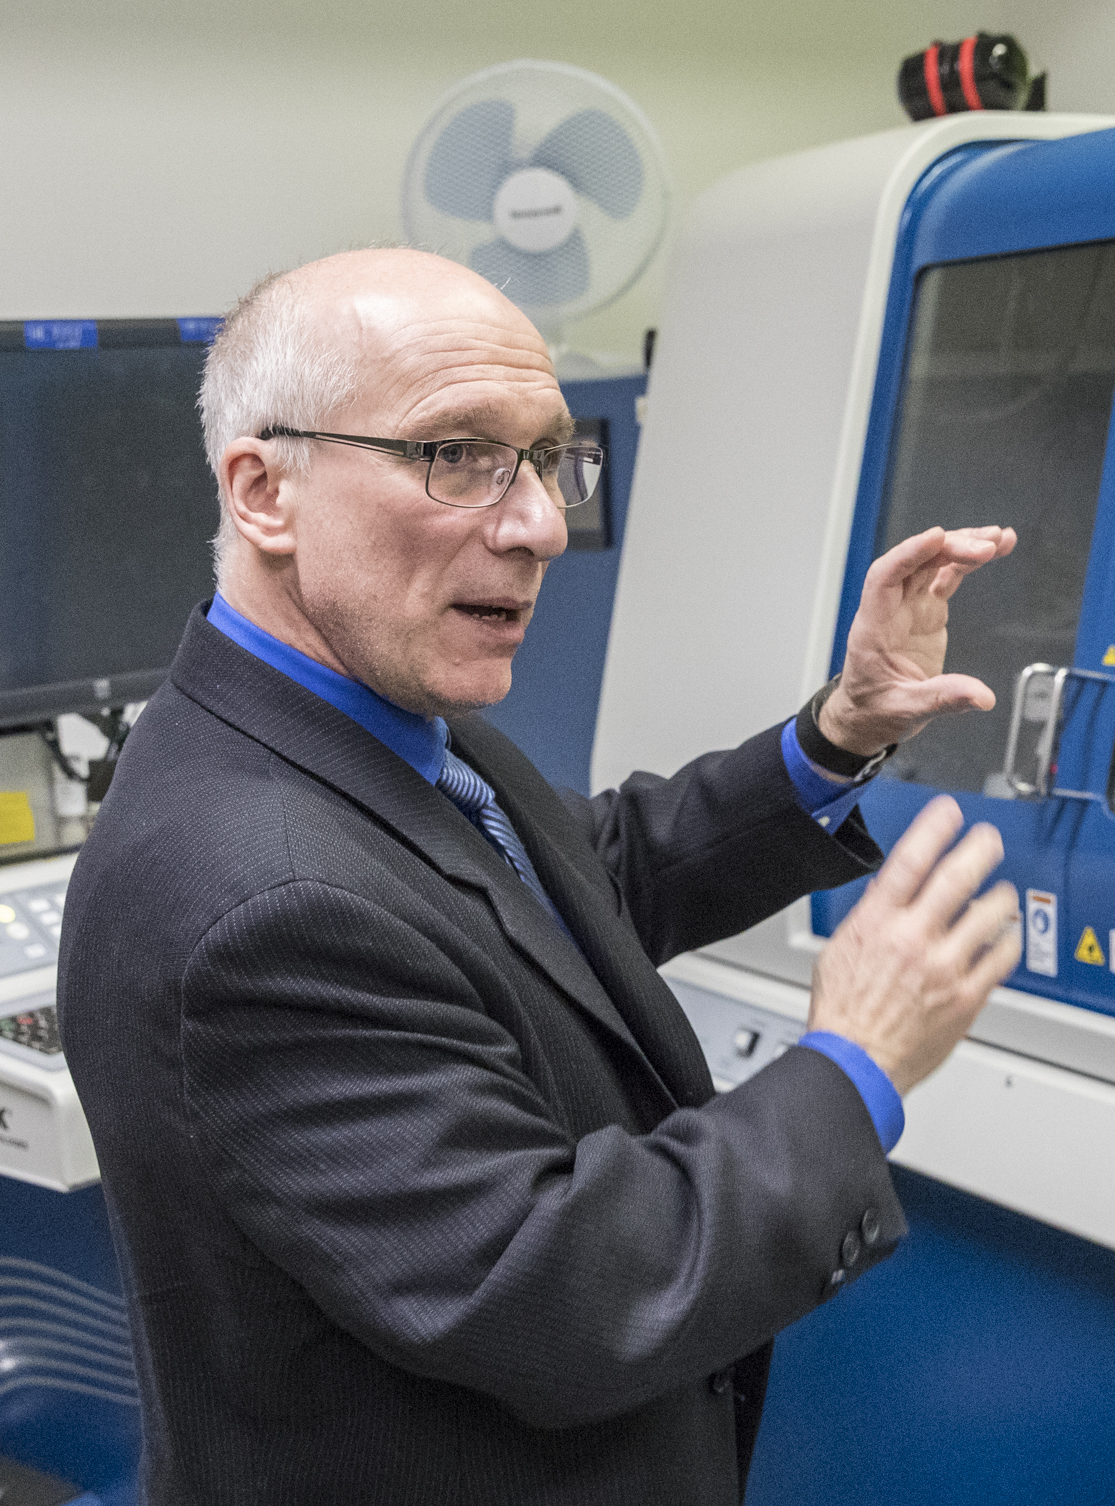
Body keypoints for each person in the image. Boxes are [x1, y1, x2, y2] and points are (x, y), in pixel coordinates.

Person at [58, 247, 1024, 1506]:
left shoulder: (368, 724)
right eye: (457, 455)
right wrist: (857, 1060)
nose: (542, 526)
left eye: (550, 459)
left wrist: (835, 737)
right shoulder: (264, 902)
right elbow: (568, 1295)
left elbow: (572, 879)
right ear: (265, 493)